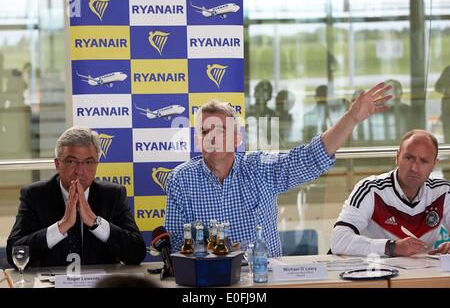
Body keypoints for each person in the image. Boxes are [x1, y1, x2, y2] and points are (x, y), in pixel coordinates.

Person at [165, 82, 392, 257]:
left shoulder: (260, 168)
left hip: (263, 276)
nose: (212, 137)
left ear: (236, 139)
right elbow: (175, 244)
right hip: (208, 281)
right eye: (205, 131)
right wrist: (212, 251)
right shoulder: (181, 180)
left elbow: (311, 158)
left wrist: (352, 117)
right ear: (197, 140)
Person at [6, 126, 146, 267]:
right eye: (71, 161)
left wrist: (94, 222)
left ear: (97, 164)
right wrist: (62, 225)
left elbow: (137, 254)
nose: (80, 171)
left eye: (88, 162)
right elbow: (15, 255)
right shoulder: (35, 195)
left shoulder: (112, 195)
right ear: (57, 164)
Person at [331, 129, 450, 257]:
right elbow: (338, 240)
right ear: (397, 157)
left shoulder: (443, 191)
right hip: (375, 272)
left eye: (424, 161)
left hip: (423, 274)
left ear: (434, 164)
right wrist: (391, 247)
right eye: (409, 158)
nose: (414, 168)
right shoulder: (370, 189)